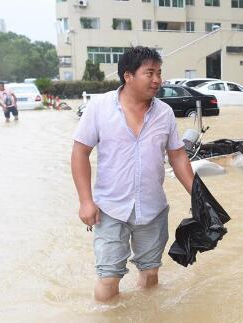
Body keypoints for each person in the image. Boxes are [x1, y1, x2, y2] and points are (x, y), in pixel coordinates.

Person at [71, 46, 194, 302]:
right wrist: (85, 201)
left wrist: (199, 196)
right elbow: (80, 153)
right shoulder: (100, 107)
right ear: (128, 76)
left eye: (159, 73)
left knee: (150, 275)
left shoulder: (165, 113)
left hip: (152, 208)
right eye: (150, 73)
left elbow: (178, 156)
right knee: (108, 279)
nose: (157, 80)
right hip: (110, 208)